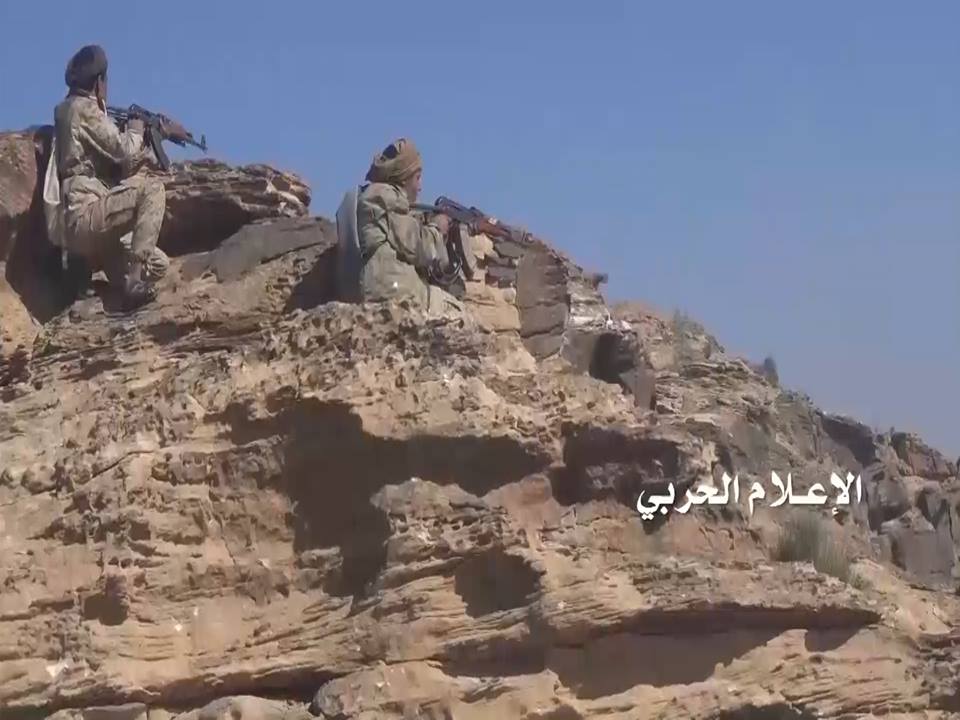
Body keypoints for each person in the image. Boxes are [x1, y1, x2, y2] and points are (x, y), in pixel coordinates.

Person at [54, 44, 170, 310]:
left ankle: (103, 276)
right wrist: (137, 129)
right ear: (99, 81)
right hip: (84, 215)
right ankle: (133, 283)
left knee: (158, 263)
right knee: (153, 189)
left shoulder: (67, 110)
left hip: (93, 227)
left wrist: (151, 138)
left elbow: (117, 163)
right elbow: (124, 150)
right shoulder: (83, 109)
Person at [356, 138, 463, 314]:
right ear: (404, 178)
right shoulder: (384, 195)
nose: (420, 187)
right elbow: (419, 248)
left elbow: (398, 232)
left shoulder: (375, 196)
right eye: (417, 178)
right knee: (459, 313)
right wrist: (437, 228)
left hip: (387, 286)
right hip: (395, 289)